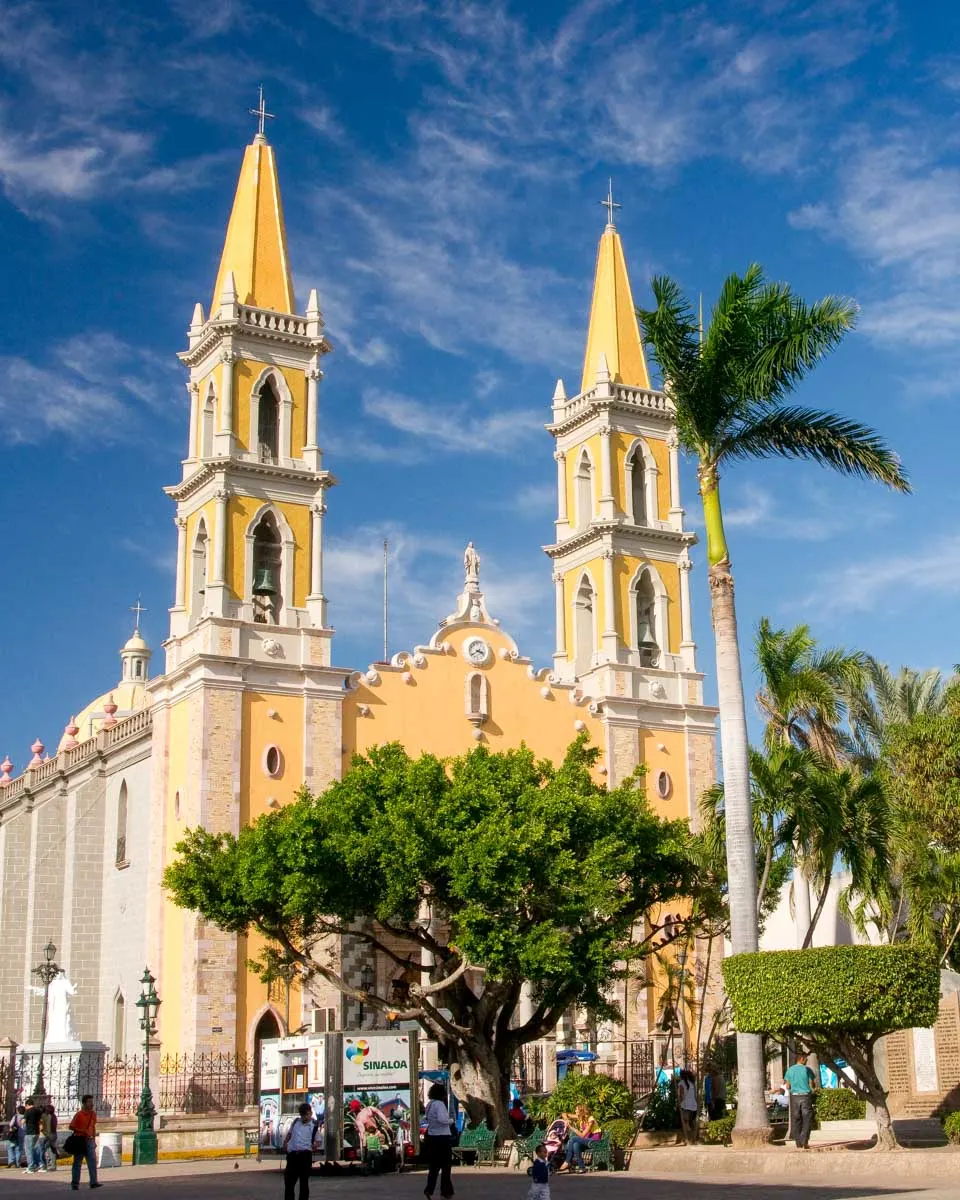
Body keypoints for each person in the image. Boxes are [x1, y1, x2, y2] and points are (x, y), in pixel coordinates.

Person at [422, 1081, 454, 1199]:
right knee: (446, 1166)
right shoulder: (440, 1104)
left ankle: (429, 1189)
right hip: (443, 1137)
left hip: (432, 1136)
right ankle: (446, 1191)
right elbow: (442, 1119)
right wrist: (451, 1121)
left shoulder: (429, 1104)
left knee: (434, 1167)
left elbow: (426, 1118)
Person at [783, 1053, 818, 1150]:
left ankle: (798, 1143)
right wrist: (813, 1088)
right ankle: (805, 1141)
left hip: (794, 1097)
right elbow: (812, 1083)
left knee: (796, 1119)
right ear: (802, 1059)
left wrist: (794, 1087)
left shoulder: (790, 1070)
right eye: (806, 1059)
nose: (806, 1061)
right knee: (807, 1119)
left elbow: (787, 1086)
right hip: (805, 1096)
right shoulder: (807, 1069)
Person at [282, 1102, 315, 1200]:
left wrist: (315, 1145)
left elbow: (318, 1140)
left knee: (304, 1183)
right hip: (293, 1156)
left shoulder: (314, 1125)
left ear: (310, 1113)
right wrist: (285, 1143)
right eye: (302, 1115)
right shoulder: (296, 1122)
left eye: (306, 1114)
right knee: (289, 1183)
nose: (305, 1117)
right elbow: (289, 1134)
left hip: (305, 1156)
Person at [68, 1094, 101, 1190]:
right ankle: (75, 1183)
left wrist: (94, 1139)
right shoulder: (79, 1115)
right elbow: (71, 1126)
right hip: (80, 1140)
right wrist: (82, 1131)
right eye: (89, 1102)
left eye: (92, 1102)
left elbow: (93, 1127)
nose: (91, 1104)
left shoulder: (93, 1114)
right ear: (84, 1103)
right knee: (77, 1162)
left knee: (92, 1162)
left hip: (89, 1140)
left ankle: (94, 1182)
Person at [559, 1104, 599, 1173]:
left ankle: (567, 1161)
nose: (575, 1111)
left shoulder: (591, 1119)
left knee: (574, 1139)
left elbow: (582, 1135)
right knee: (576, 1145)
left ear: (581, 1111)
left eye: (576, 1109)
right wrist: (567, 1120)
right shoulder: (580, 1117)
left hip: (594, 1140)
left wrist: (571, 1127)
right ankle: (582, 1167)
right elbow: (564, 1114)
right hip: (586, 1141)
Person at [677, 1069, 699, 1144]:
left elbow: (681, 1095)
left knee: (685, 1124)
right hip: (693, 1105)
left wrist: (678, 1103)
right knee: (691, 1123)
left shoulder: (681, 1083)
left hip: (685, 1105)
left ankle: (687, 1139)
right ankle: (692, 1139)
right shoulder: (692, 1083)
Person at [21, 1098, 42, 1173]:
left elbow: (23, 1121)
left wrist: (22, 1123)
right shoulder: (38, 1111)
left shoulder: (28, 1111)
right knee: (36, 1149)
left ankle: (31, 1167)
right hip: (37, 1132)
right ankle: (38, 1164)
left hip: (29, 1132)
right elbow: (40, 1121)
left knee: (29, 1150)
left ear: (27, 1105)